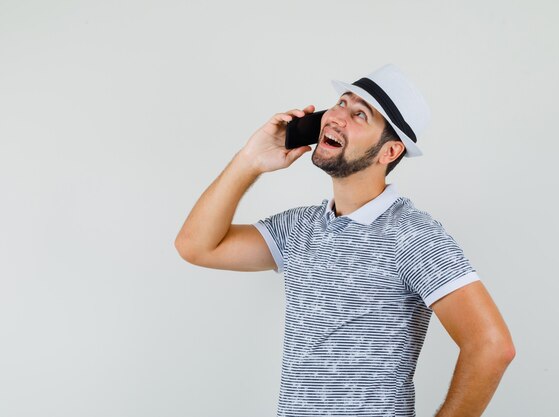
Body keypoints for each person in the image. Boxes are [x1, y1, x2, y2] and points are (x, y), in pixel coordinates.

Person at [175, 64, 515, 417]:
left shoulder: (412, 234)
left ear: (390, 152)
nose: (336, 117)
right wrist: (250, 161)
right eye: (340, 102)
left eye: (359, 115)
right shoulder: (300, 228)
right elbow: (197, 246)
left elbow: (491, 346)